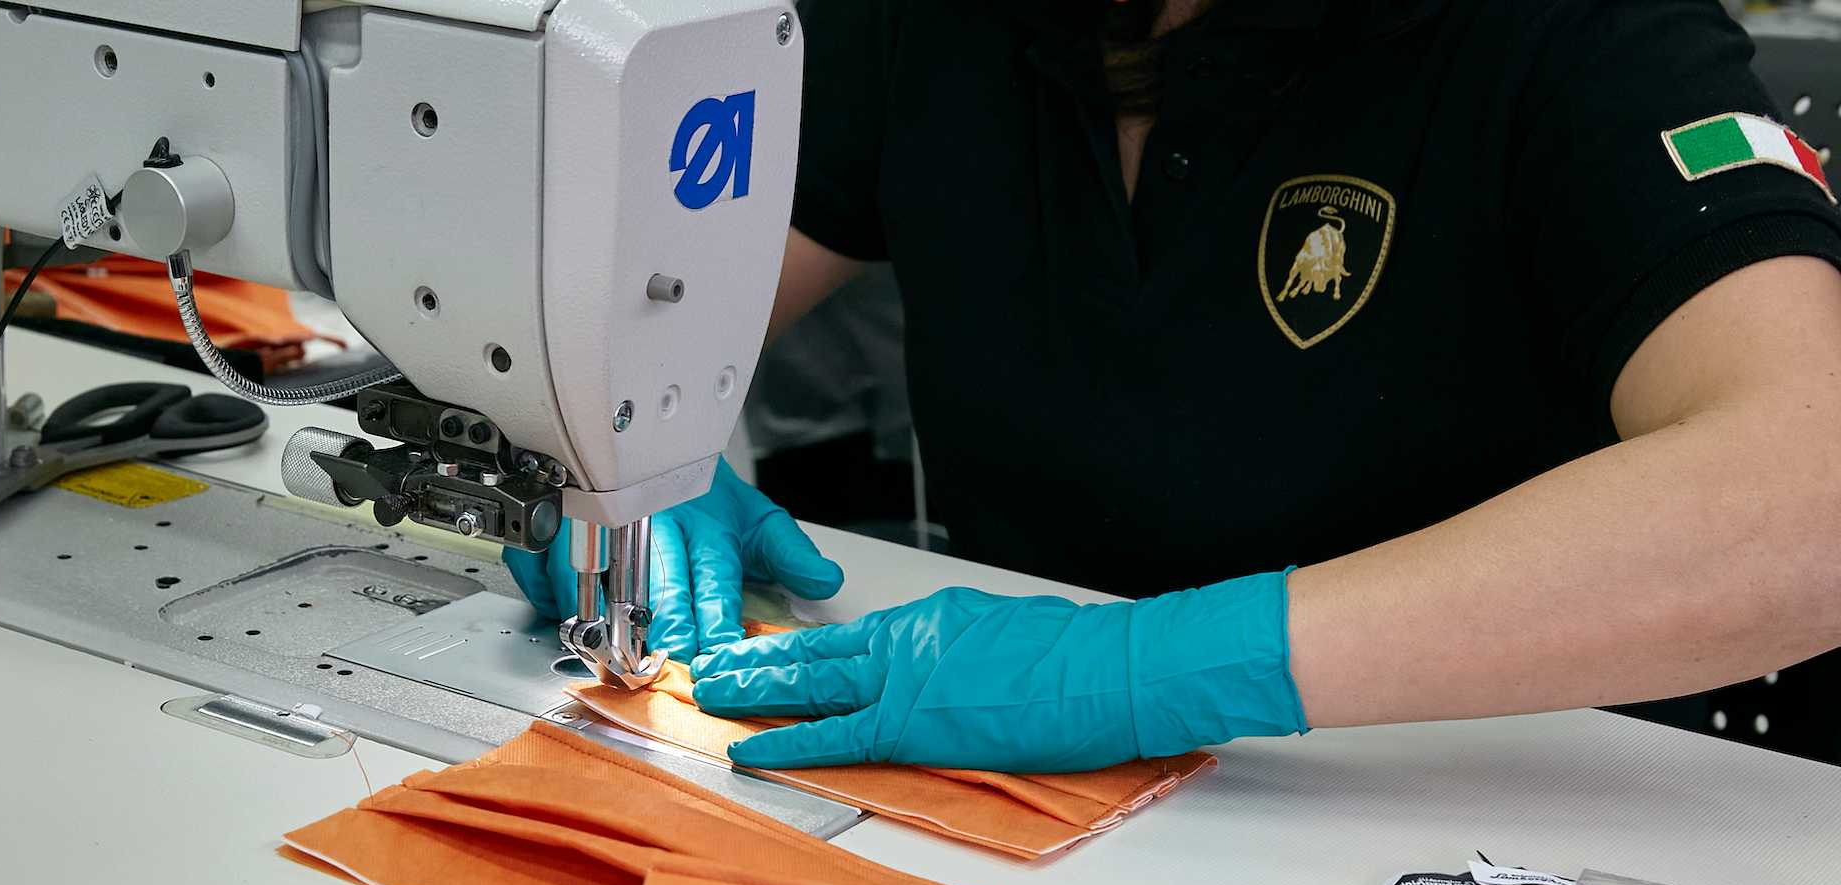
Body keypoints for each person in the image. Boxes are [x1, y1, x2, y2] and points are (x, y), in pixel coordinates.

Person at [508, 0, 1841, 775]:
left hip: (1473, 818)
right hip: (1002, 785)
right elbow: (641, 309)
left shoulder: (1579, 37)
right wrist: (595, 450)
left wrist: (1144, 668)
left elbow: (1806, 497)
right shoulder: (933, 24)